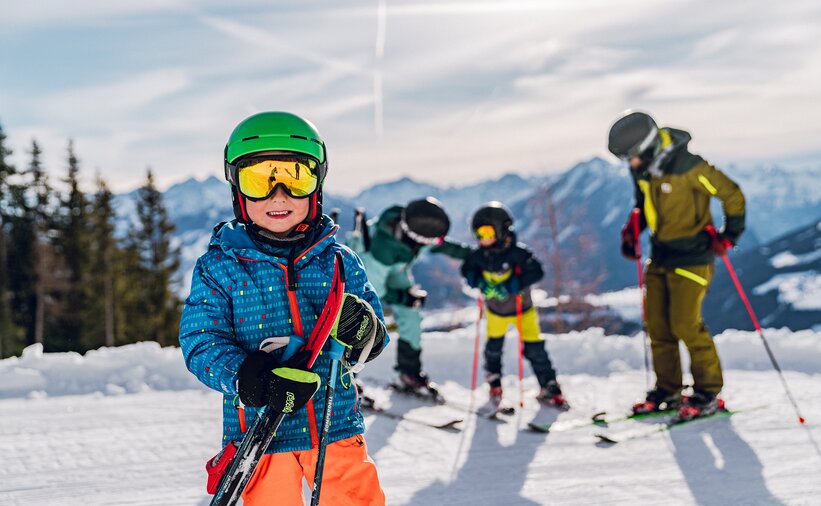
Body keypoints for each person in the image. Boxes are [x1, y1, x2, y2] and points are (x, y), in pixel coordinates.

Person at [178, 112, 388, 505]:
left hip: (335, 427)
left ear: (317, 184)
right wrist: (246, 375)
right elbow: (199, 341)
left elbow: (374, 339)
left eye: (295, 178)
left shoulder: (339, 262)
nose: (278, 195)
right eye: (259, 180)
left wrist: (364, 331)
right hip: (259, 432)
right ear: (237, 189)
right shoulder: (220, 267)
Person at [607, 110, 746, 420]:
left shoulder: (690, 167)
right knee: (657, 324)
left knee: (685, 323)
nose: (631, 164)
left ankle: (708, 392)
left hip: (694, 257)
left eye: (633, 157)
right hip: (661, 254)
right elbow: (644, 204)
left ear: (650, 146)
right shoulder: (643, 168)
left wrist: (729, 235)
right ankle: (668, 390)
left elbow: (732, 194)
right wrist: (634, 228)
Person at [349, 197, 470, 398]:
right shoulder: (382, 250)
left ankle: (409, 374)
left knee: (411, 316)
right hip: (366, 275)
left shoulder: (413, 228)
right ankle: (346, 381)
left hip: (394, 269)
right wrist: (404, 298)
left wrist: (473, 254)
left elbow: (440, 245)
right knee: (360, 322)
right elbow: (374, 291)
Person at [460, 202, 567, 408]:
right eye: (478, 233)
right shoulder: (479, 256)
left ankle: (549, 384)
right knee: (494, 348)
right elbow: (467, 270)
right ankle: (494, 381)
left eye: (486, 232)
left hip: (522, 310)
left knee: (534, 347)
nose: (482, 238)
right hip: (495, 312)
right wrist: (477, 281)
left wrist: (513, 285)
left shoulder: (518, 254)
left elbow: (537, 272)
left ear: (501, 230)